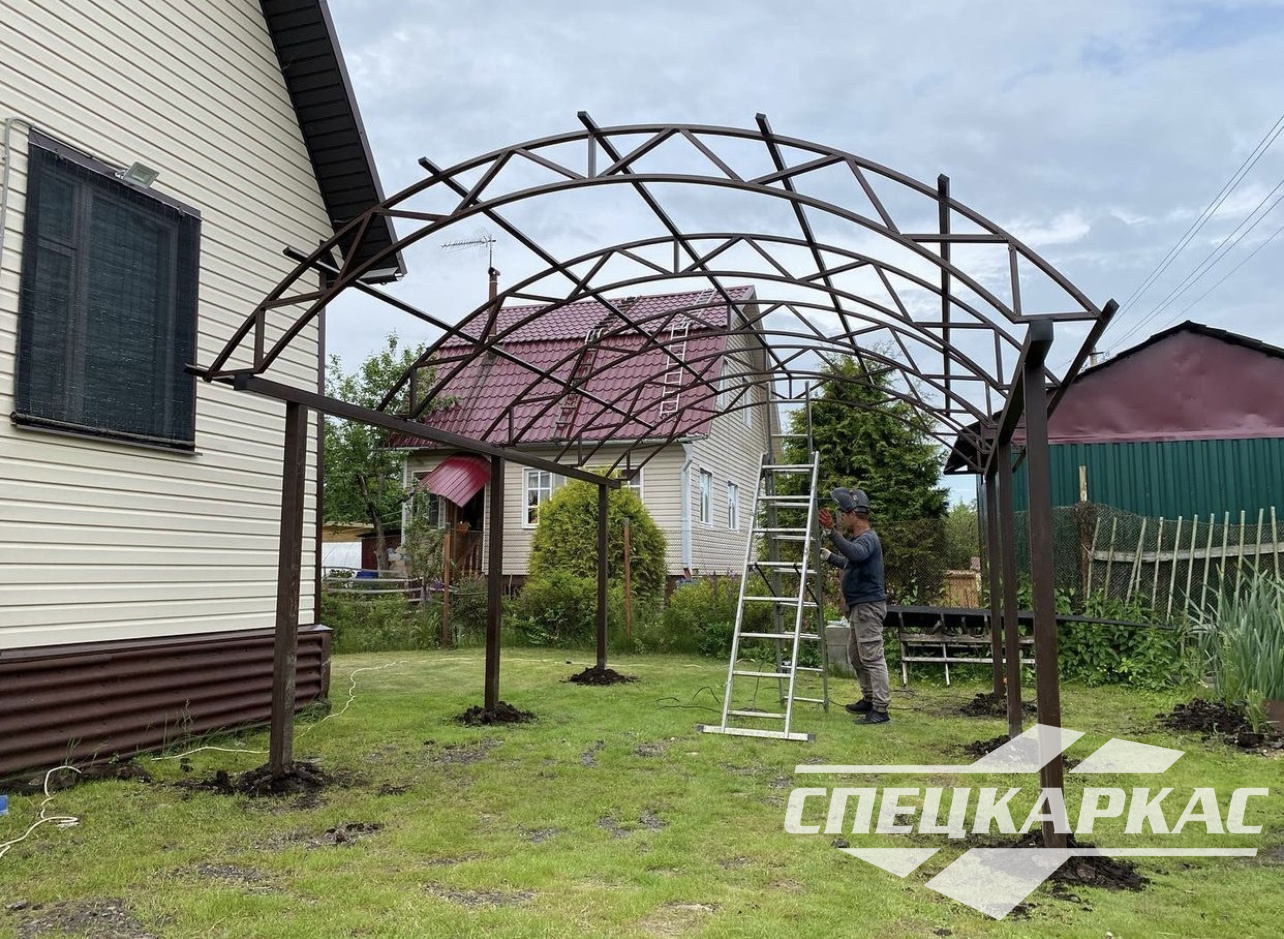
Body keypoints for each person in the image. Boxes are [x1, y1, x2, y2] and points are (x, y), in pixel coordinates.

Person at [818, 488, 890, 725]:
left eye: (842, 512)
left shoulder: (868, 539)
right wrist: (830, 557)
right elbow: (851, 560)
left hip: (869, 607)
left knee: (872, 657)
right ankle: (869, 699)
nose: (840, 516)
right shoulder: (859, 541)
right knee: (857, 656)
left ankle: (880, 709)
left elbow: (856, 554)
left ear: (853, 514)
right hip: (860, 607)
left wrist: (832, 533)